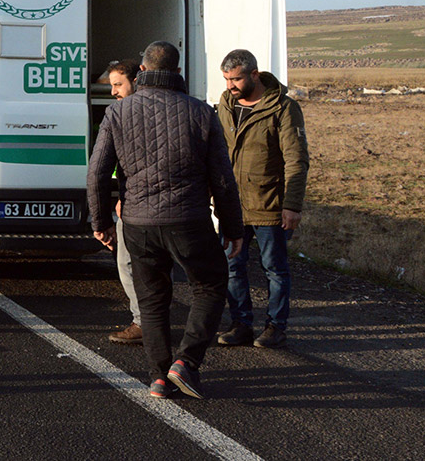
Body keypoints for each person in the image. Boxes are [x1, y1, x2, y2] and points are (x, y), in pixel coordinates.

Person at [87, 41, 244, 399]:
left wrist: (101, 222)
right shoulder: (201, 112)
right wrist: (232, 226)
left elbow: (96, 172)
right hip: (189, 219)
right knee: (210, 284)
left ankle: (158, 377)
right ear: (177, 73)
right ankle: (185, 362)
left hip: (139, 223)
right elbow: (222, 177)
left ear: (141, 71)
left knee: (152, 299)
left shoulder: (119, 112)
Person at [215, 49, 309, 349]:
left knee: (275, 269)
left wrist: (292, 205)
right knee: (232, 266)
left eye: (237, 79)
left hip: (269, 203)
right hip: (232, 204)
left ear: (254, 74)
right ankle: (241, 323)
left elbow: (297, 159)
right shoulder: (226, 104)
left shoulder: (283, 107)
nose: (231, 86)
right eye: (227, 79)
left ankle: (275, 327)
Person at [100, 58, 144, 346]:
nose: (114, 91)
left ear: (135, 81)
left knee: (128, 263)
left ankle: (143, 322)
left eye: (118, 84)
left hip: (139, 206)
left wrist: (103, 216)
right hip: (133, 201)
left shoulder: (125, 114)